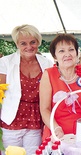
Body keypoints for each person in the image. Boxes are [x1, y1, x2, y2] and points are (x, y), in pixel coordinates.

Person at [39, 34, 81, 140]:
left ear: (76, 53)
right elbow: (45, 110)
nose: (67, 54)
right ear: (55, 57)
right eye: (61, 51)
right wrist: (56, 128)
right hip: (57, 133)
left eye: (71, 49)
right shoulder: (49, 74)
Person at [0, 24, 53, 155]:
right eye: (23, 43)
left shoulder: (47, 64)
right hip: (11, 119)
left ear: (38, 42)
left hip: (35, 119)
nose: (29, 47)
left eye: (33, 42)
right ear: (17, 44)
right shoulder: (5, 62)